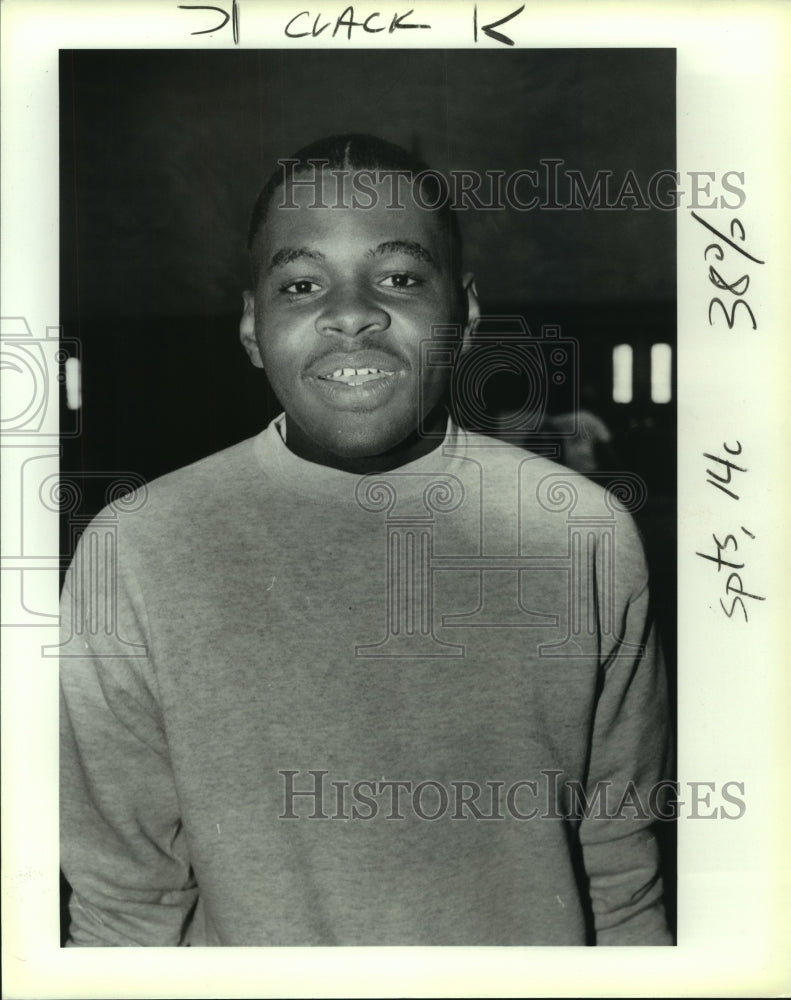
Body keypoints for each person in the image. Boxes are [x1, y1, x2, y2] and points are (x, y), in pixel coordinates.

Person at [59, 134, 672, 946]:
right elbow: (123, 906)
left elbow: (620, 874)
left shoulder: (583, 535)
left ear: (466, 312)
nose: (350, 312)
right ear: (251, 327)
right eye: (302, 283)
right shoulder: (135, 551)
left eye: (399, 278)